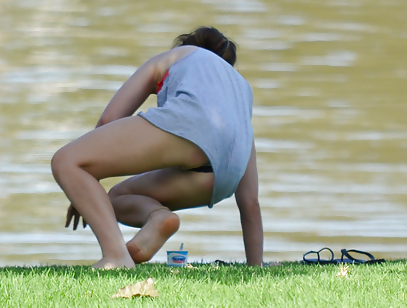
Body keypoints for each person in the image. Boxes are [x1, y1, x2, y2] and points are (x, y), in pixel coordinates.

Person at [52, 27, 263, 269]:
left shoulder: (179, 56)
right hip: (219, 179)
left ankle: (116, 256)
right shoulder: (240, 93)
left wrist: (83, 180)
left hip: (189, 125)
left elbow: (109, 120)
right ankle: (158, 216)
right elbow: (250, 203)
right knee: (117, 198)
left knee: (66, 161)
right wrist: (255, 267)